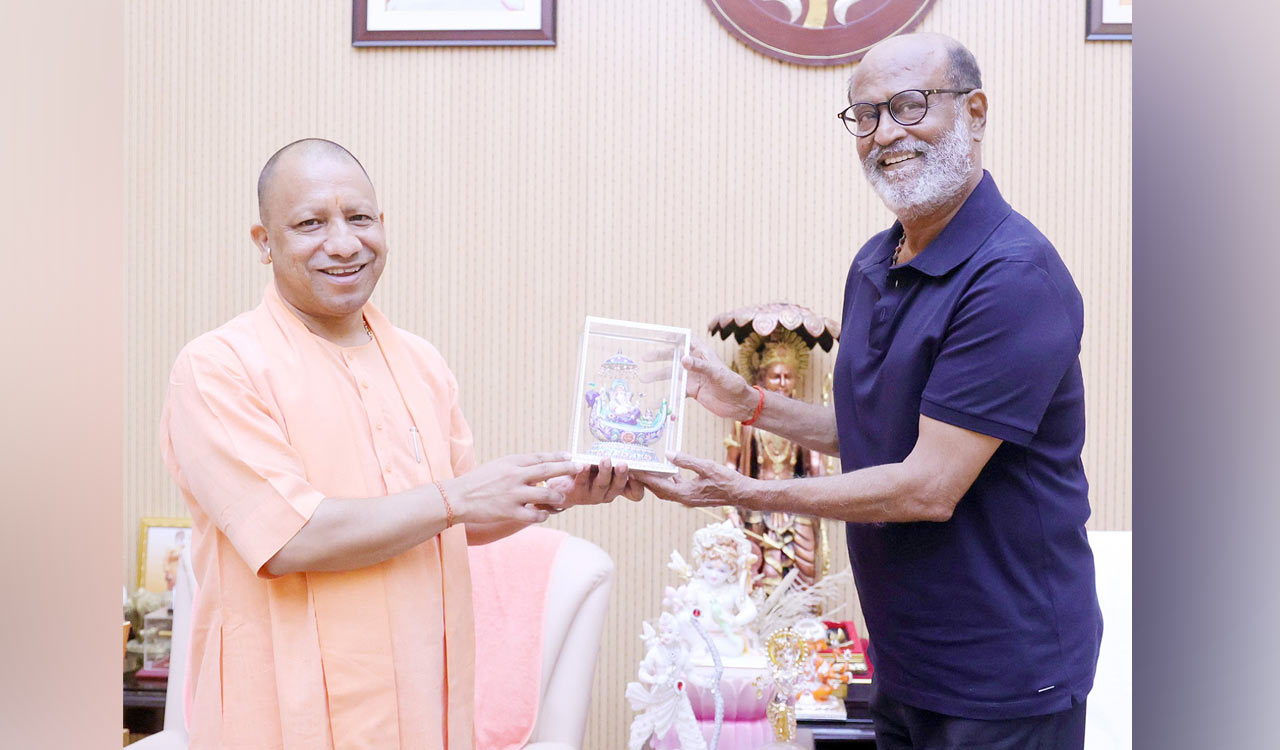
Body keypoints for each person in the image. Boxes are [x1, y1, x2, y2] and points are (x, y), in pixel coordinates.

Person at [639, 33, 1102, 750]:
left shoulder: (1013, 277)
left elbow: (928, 486)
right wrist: (749, 405)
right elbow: (875, 431)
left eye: (910, 105)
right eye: (866, 115)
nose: (886, 133)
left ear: (975, 112)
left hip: (1006, 674)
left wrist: (748, 492)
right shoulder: (873, 263)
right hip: (905, 661)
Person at [160, 138, 640, 750]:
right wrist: (458, 498)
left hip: (421, 712)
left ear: (382, 225)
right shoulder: (218, 367)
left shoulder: (421, 363)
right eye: (310, 223)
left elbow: (454, 523)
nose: (343, 243)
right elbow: (288, 537)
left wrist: (554, 492)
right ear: (264, 241)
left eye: (359, 218)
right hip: (281, 722)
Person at [722, 329, 826, 594]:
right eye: (775, 376)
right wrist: (729, 509)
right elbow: (730, 466)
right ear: (763, 378)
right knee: (757, 577)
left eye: (787, 377)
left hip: (797, 505)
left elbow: (815, 469)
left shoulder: (805, 420)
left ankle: (798, 619)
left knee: (804, 580)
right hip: (757, 505)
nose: (782, 383)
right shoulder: (746, 422)